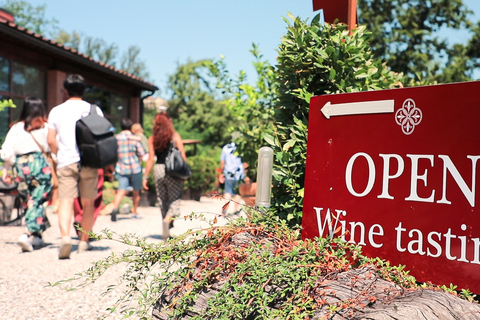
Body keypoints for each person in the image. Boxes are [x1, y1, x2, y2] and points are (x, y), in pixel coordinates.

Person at [47, 74, 103, 259]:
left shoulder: (56, 111)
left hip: (66, 161)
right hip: (89, 161)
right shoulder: (94, 110)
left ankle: (65, 238)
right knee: (88, 204)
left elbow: (50, 140)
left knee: (66, 201)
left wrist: (59, 155)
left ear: (65, 91)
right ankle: (83, 243)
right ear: (84, 90)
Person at [1, 97, 53, 252]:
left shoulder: (17, 127)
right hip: (40, 166)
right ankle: (27, 234)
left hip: (21, 167)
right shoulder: (45, 127)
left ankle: (37, 236)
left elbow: (7, 151)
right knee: (37, 201)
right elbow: (53, 146)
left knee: (29, 201)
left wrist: (6, 171)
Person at [142, 112, 187, 240]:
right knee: (175, 199)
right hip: (172, 170)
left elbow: (150, 159)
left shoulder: (152, 138)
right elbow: (182, 155)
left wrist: (145, 177)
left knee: (162, 200)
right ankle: (168, 220)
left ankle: (166, 225)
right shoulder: (174, 136)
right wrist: (183, 173)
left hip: (158, 169)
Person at [110, 118, 145, 221]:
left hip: (121, 168)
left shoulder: (116, 138)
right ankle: (134, 212)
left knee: (121, 190)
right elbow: (142, 153)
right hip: (135, 168)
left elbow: (112, 153)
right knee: (136, 191)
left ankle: (115, 208)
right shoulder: (135, 138)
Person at [220, 142, 245, 214]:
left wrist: (221, 173)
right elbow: (245, 162)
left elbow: (222, 161)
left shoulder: (226, 147)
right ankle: (236, 210)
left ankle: (226, 207)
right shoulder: (241, 147)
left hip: (228, 173)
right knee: (237, 192)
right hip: (239, 174)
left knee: (227, 191)